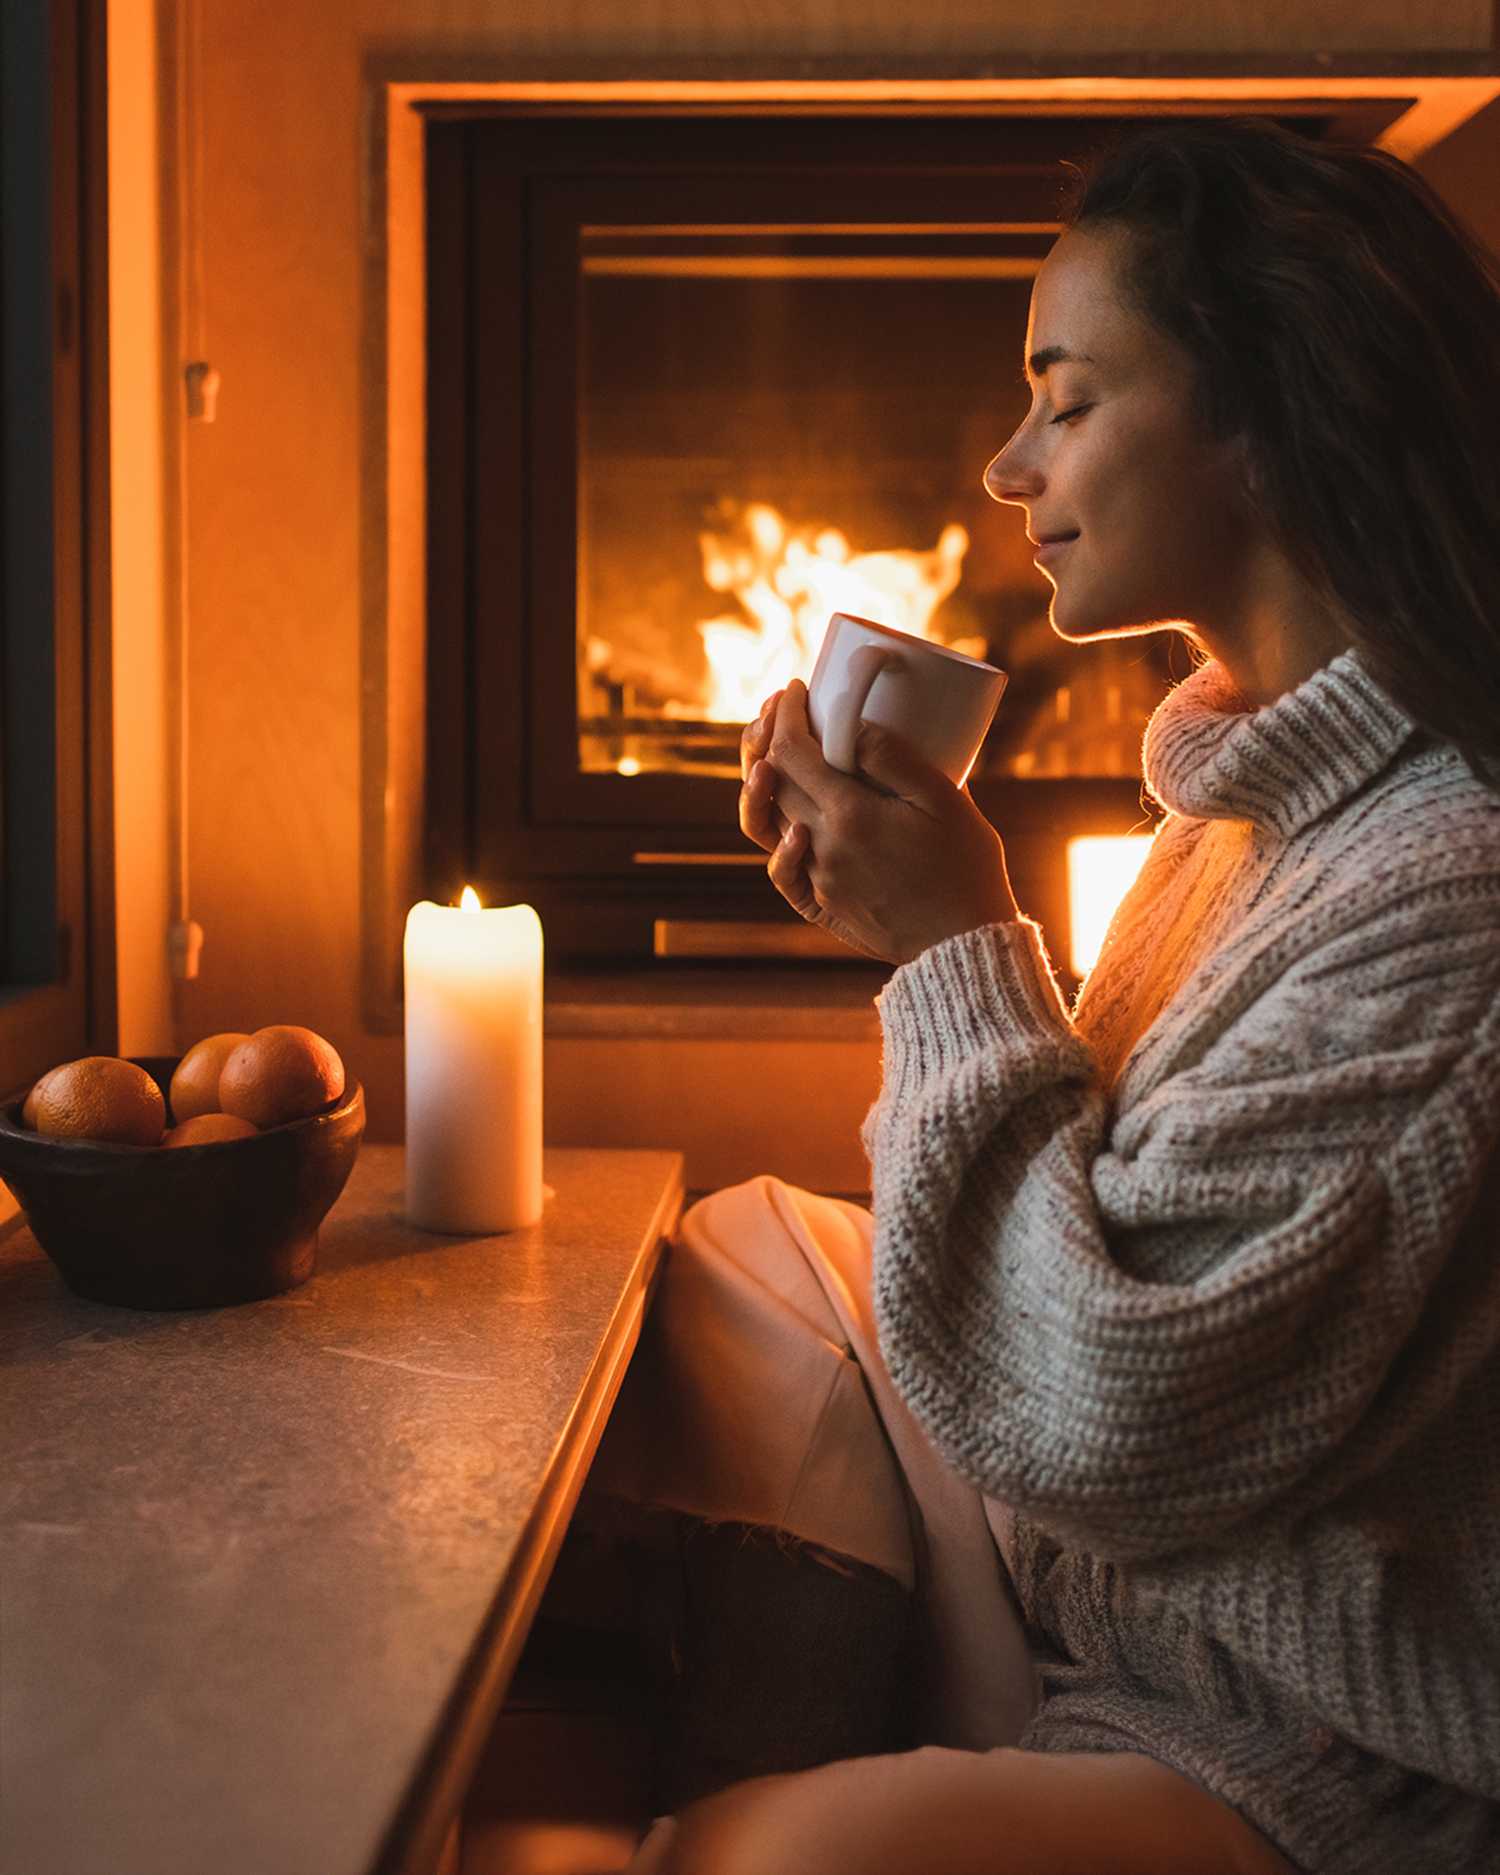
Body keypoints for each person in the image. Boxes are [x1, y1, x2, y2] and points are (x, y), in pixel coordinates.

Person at [560, 117, 1500, 1875]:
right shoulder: (1259, 812)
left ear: (1270, 413)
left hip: (1311, 1741)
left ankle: (789, 1808)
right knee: (760, 1245)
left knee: (755, 1870)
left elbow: (1111, 1413)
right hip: (1115, 1592)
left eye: (1065, 401)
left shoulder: (1455, 897)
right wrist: (934, 932)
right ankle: (842, 1759)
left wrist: (950, 951)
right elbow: (1120, 1202)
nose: (1008, 467)